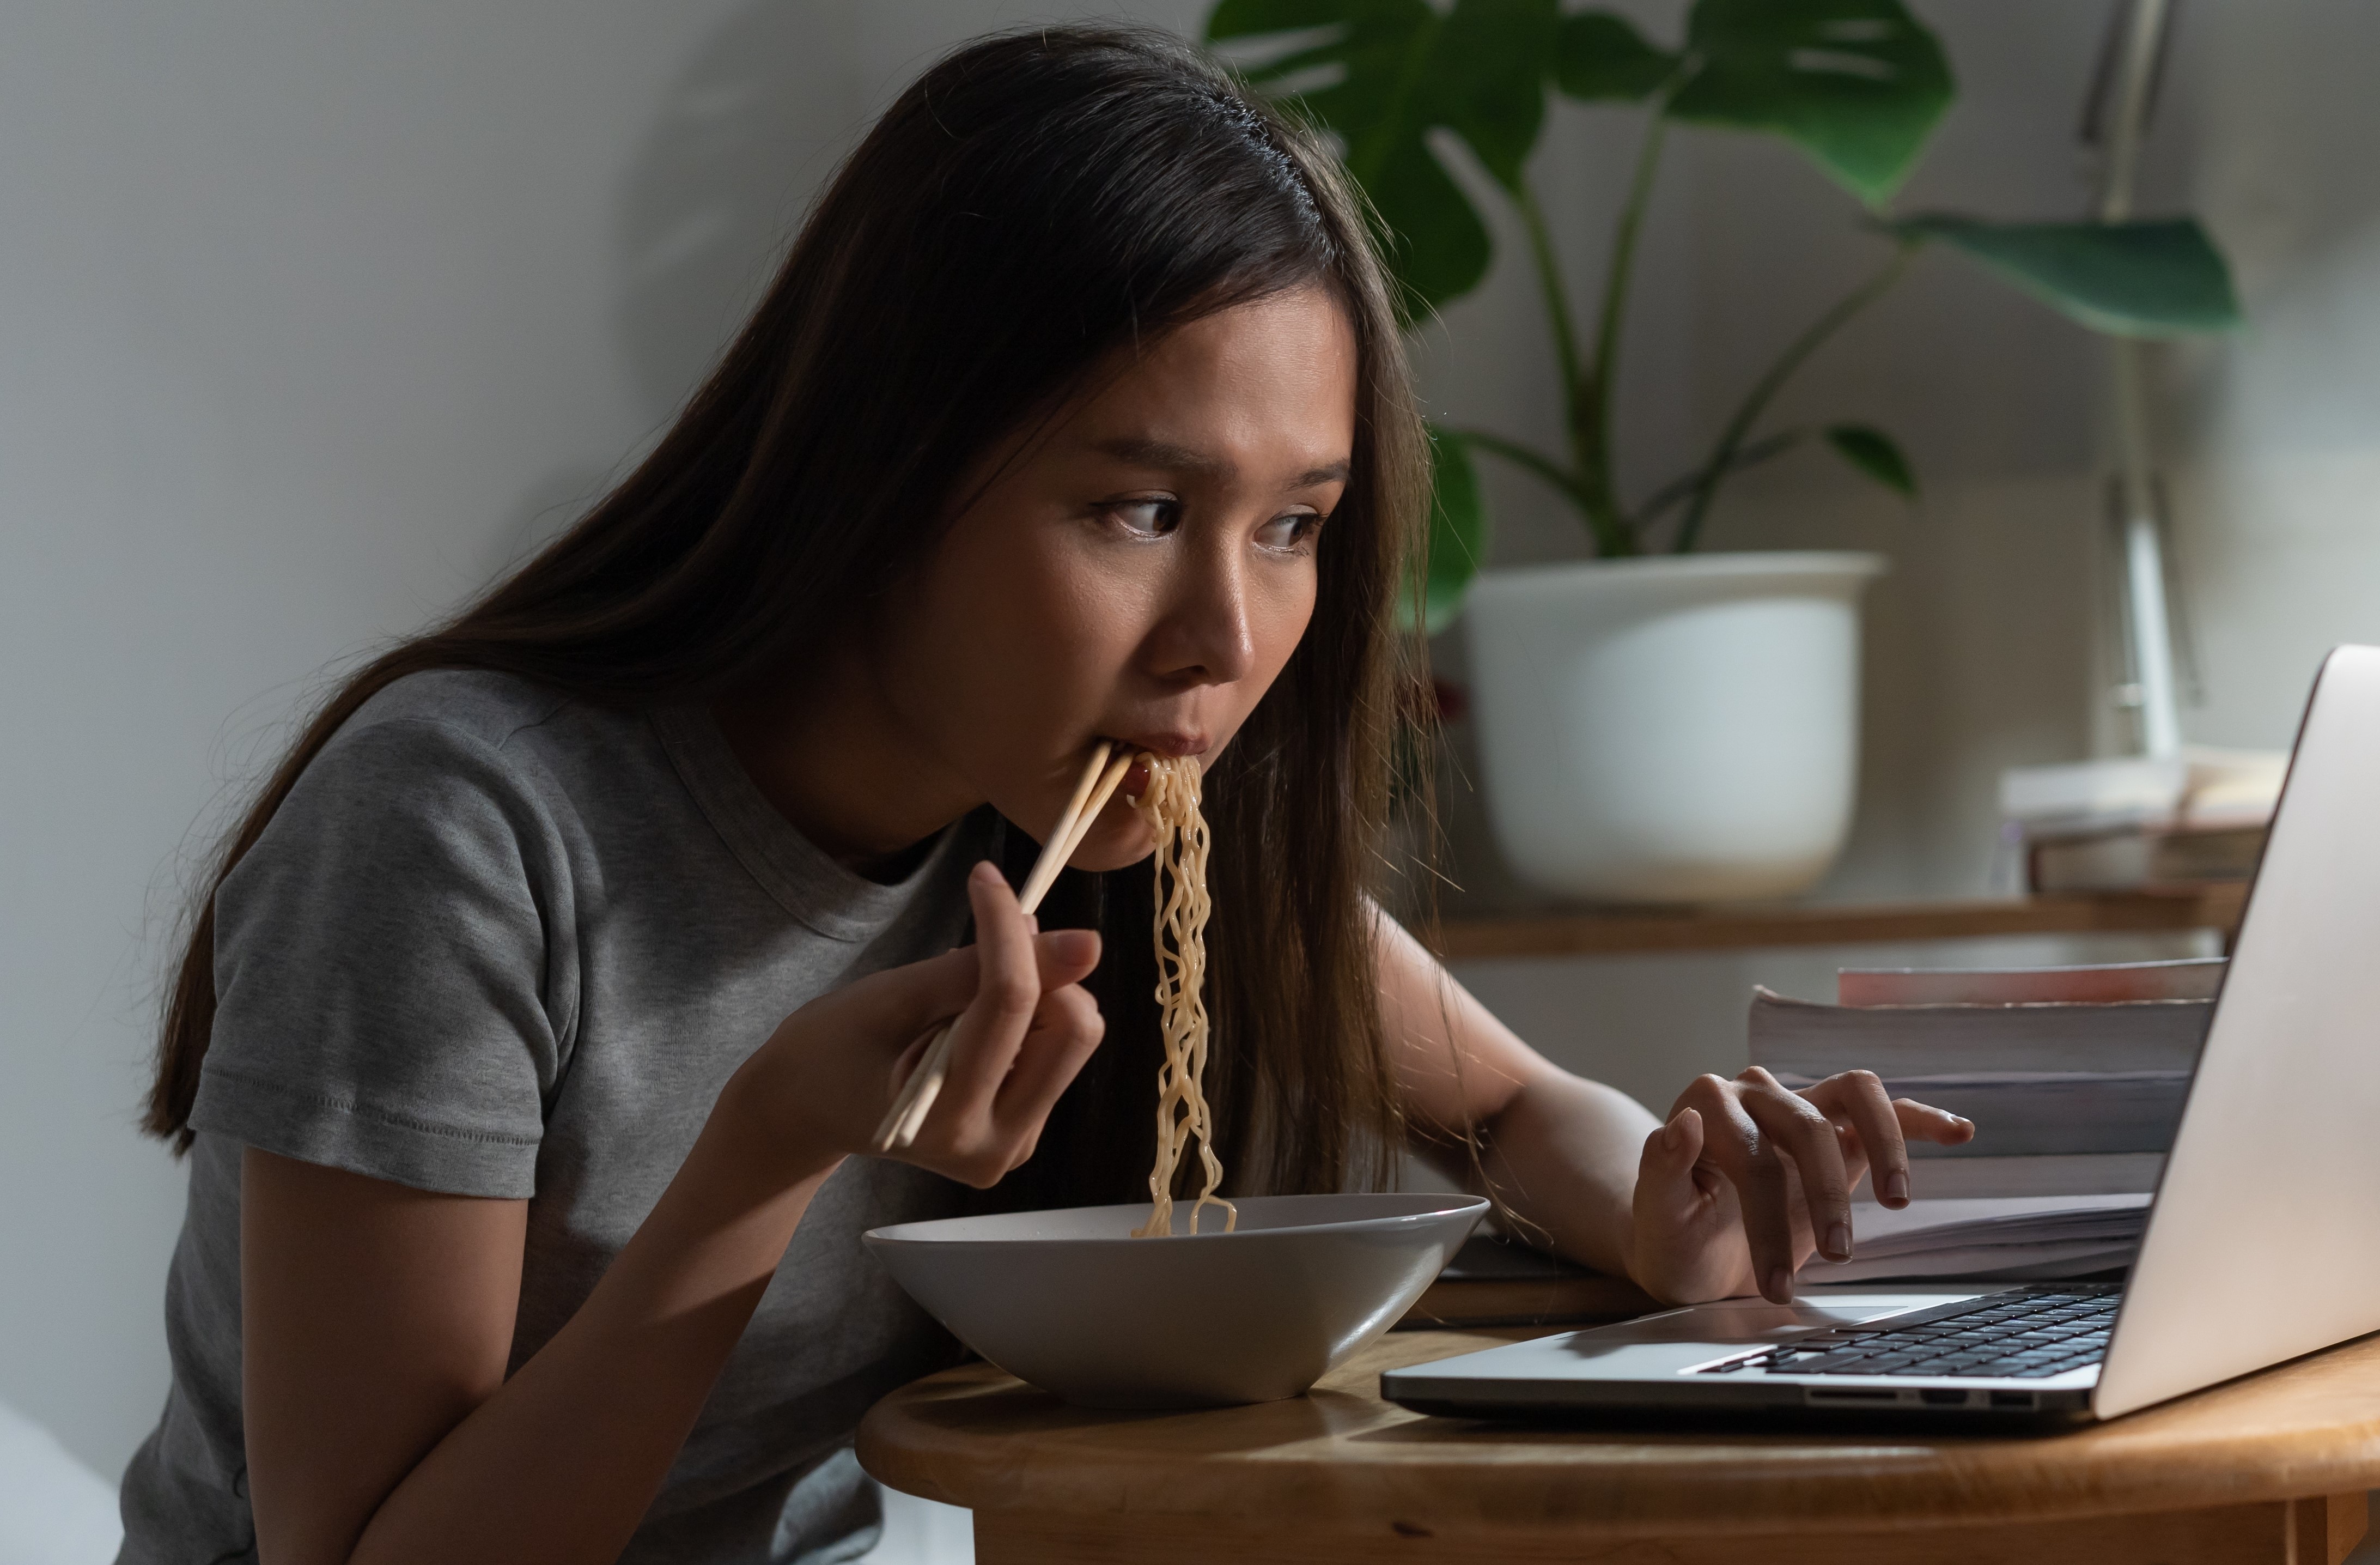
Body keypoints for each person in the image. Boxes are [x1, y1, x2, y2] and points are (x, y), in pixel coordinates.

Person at [116, 25, 1972, 1565]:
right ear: (888, 461)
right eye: (1138, 511)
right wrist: (765, 1160)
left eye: (1296, 529)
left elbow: (1502, 1112)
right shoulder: (460, 827)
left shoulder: (1108, 816)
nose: (1224, 639)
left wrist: (1670, 1211)